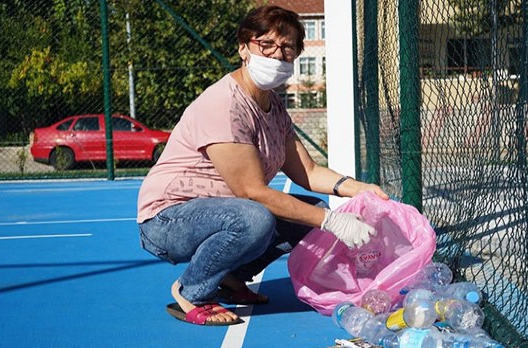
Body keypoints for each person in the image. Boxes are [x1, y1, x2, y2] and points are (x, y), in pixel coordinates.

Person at [137, 5, 388, 326]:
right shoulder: (225, 103)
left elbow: (307, 172)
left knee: (306, 211)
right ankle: (193, 290)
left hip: (225, 212)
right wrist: (333, 222)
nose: (277, 55)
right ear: (243, 47)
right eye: (266, 44)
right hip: (168, 220)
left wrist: (358, 188)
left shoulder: (273, 106)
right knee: (258, 217)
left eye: (287, 48)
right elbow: (251, 191)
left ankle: (229, 276)